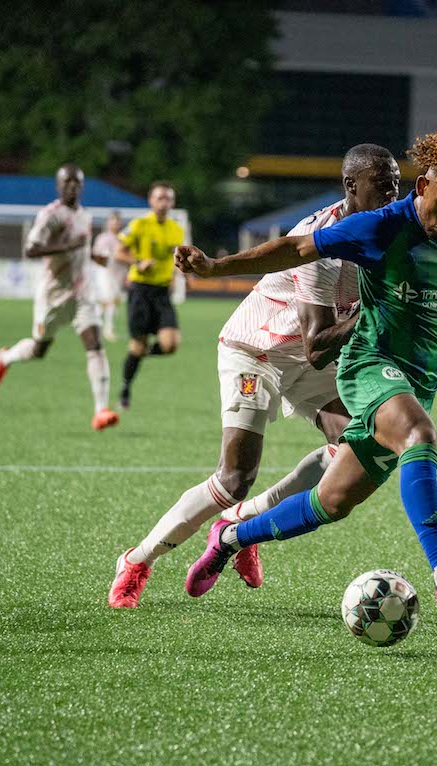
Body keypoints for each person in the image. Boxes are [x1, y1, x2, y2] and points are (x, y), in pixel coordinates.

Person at [176, 128, 437, 613]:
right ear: (420, 189)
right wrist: (214, 267)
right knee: (420, 436)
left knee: (331, 502)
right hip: (371, 365)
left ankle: (229, 537)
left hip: (417, 380)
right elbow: (297, 249)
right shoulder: (384, 226)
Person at [108, 144, 402, 608]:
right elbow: (319, 344)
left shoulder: (387, 228)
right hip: (257, 349)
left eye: (397, 185)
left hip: (306, 359)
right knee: (234, 476)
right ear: (351, 187)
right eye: (381, 186)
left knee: (356, 446)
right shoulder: (324, 247)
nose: (392, 195)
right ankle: (137, 560)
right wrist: (375, 312)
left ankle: (240, 529)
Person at [0, 164, 119, 431]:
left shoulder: (85, 215)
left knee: (94, 344)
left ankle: (101, 409)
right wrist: (65, 246)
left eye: (77, 182)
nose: (73, 187)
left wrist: (95, 257)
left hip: (82, 293)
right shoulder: (50, 215)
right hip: (53, 294)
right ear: (58, 186)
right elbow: (30, 249)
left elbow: (81, 247)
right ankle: (6, 358)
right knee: (39, 349)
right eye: (67, 182)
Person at [115, 182, 183, 409]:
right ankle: (125, 387)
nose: (164, 203)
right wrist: (138, 262)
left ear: (172, 203)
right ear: (151, 201)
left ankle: (140, 355)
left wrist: (179, 276)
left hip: (162, 292)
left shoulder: (176, 228)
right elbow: (118, 252)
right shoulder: (139, 225)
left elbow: (174, 260)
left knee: (171, 344)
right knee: (137, 345)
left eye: (168, 199)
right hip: (140, 291)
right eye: (159, 198)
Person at [91, 212, 126, 342]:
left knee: (112, 302)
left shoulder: (123, 238)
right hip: (105, 272)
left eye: (117, 221)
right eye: (113, 221)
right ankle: (108, 330)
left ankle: (92, 322)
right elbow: (96, 255)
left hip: (118, 274)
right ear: (108, 222)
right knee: (109, 300)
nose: (115, 224)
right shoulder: (103, 238)